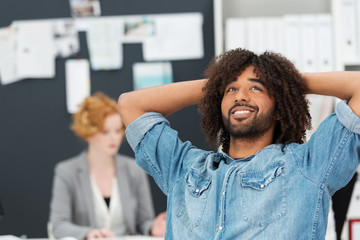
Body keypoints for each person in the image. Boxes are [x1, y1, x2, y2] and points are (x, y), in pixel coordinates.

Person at [118, 48, 360, 239]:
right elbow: (130, 104)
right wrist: (216, 85)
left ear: (279, 109)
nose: (240, 96)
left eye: (256, 87)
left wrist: (286, 82)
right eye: (231, 89)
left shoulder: (308, 166)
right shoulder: (185, 168)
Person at [49, 92, 166, 240]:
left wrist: (153, 227)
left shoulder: (134, 169)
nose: (114, 138)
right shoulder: (67, 172)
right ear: (88, 132)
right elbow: (59, 225)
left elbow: (143, 222)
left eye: (118, 131)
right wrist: (88, 233)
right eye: (105, 132)